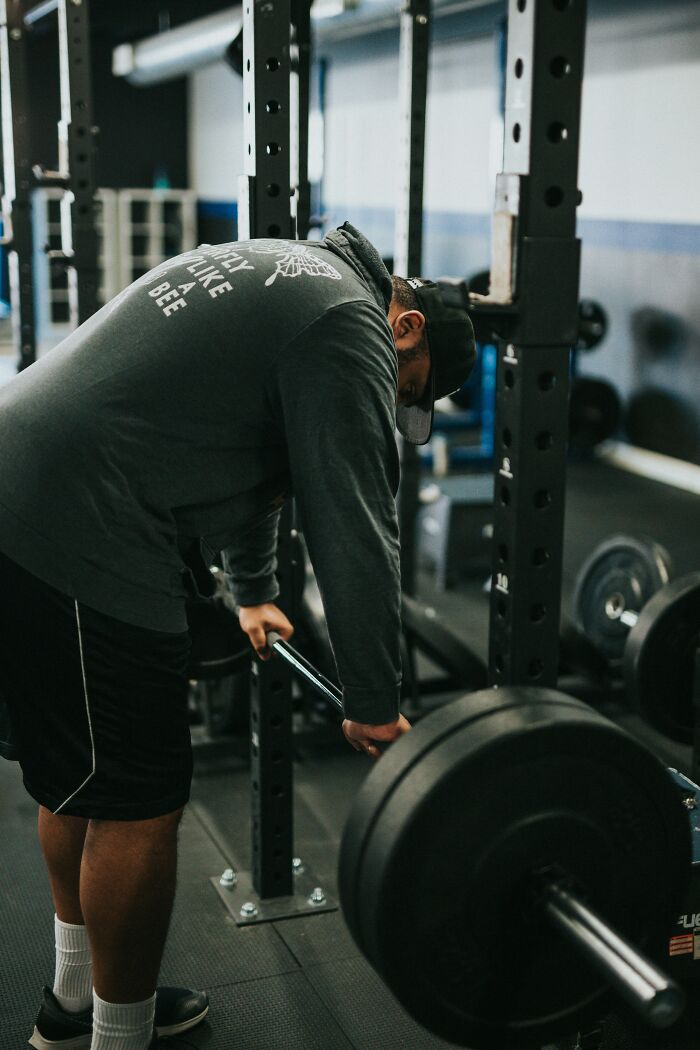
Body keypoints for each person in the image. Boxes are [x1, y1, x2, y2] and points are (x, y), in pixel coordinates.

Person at [0, 222, 475, 1050]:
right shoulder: (349, 327)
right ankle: (123, 1038)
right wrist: (372, 698)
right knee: (139, 802)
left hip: (25, 480)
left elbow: (269, 468)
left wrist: (253, 594)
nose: (394, 404)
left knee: (78, 777)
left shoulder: (294, 275)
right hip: (87, 519)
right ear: (406, 329)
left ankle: (79, 1000)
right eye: (409, 392)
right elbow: (355, 524)